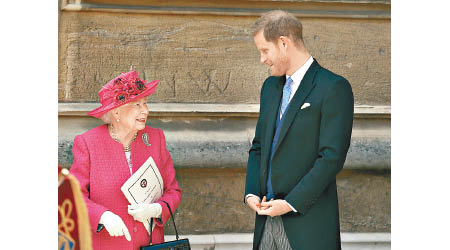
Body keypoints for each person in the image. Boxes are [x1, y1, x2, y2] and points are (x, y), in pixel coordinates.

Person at [244, 10, 354, 250]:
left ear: (283, 43)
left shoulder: (333, 88)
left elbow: (331, 158)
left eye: (265, 50)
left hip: (308, 227)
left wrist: (290, 203)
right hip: (265, 225)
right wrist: (251, 192)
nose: (262, 59)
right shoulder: (270, 87)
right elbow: (259, 146)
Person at [70, 67, 182, 250]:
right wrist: (103, 216)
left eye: (145, 104)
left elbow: (174, 191)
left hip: (150, 245)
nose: (145, 110)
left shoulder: (155, 138)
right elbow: (75, 196)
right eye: (137, 105)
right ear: (116, 113)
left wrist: (156, 209)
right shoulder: (88, 143)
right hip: (105, 244)